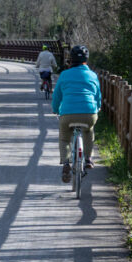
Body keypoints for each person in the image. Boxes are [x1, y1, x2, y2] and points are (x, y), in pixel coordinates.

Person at [52, 45, 101, 183]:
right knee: (88, 130)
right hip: (89, 113)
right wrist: (98, 107)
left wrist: (55, 109)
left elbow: (57, 96)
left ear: (71, 59)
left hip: (67, 114)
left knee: (64, 138)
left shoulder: (64, 74)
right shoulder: (93, 75)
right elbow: (98, 96)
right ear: (86, 59)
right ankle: (88, 159)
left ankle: (66, 163)